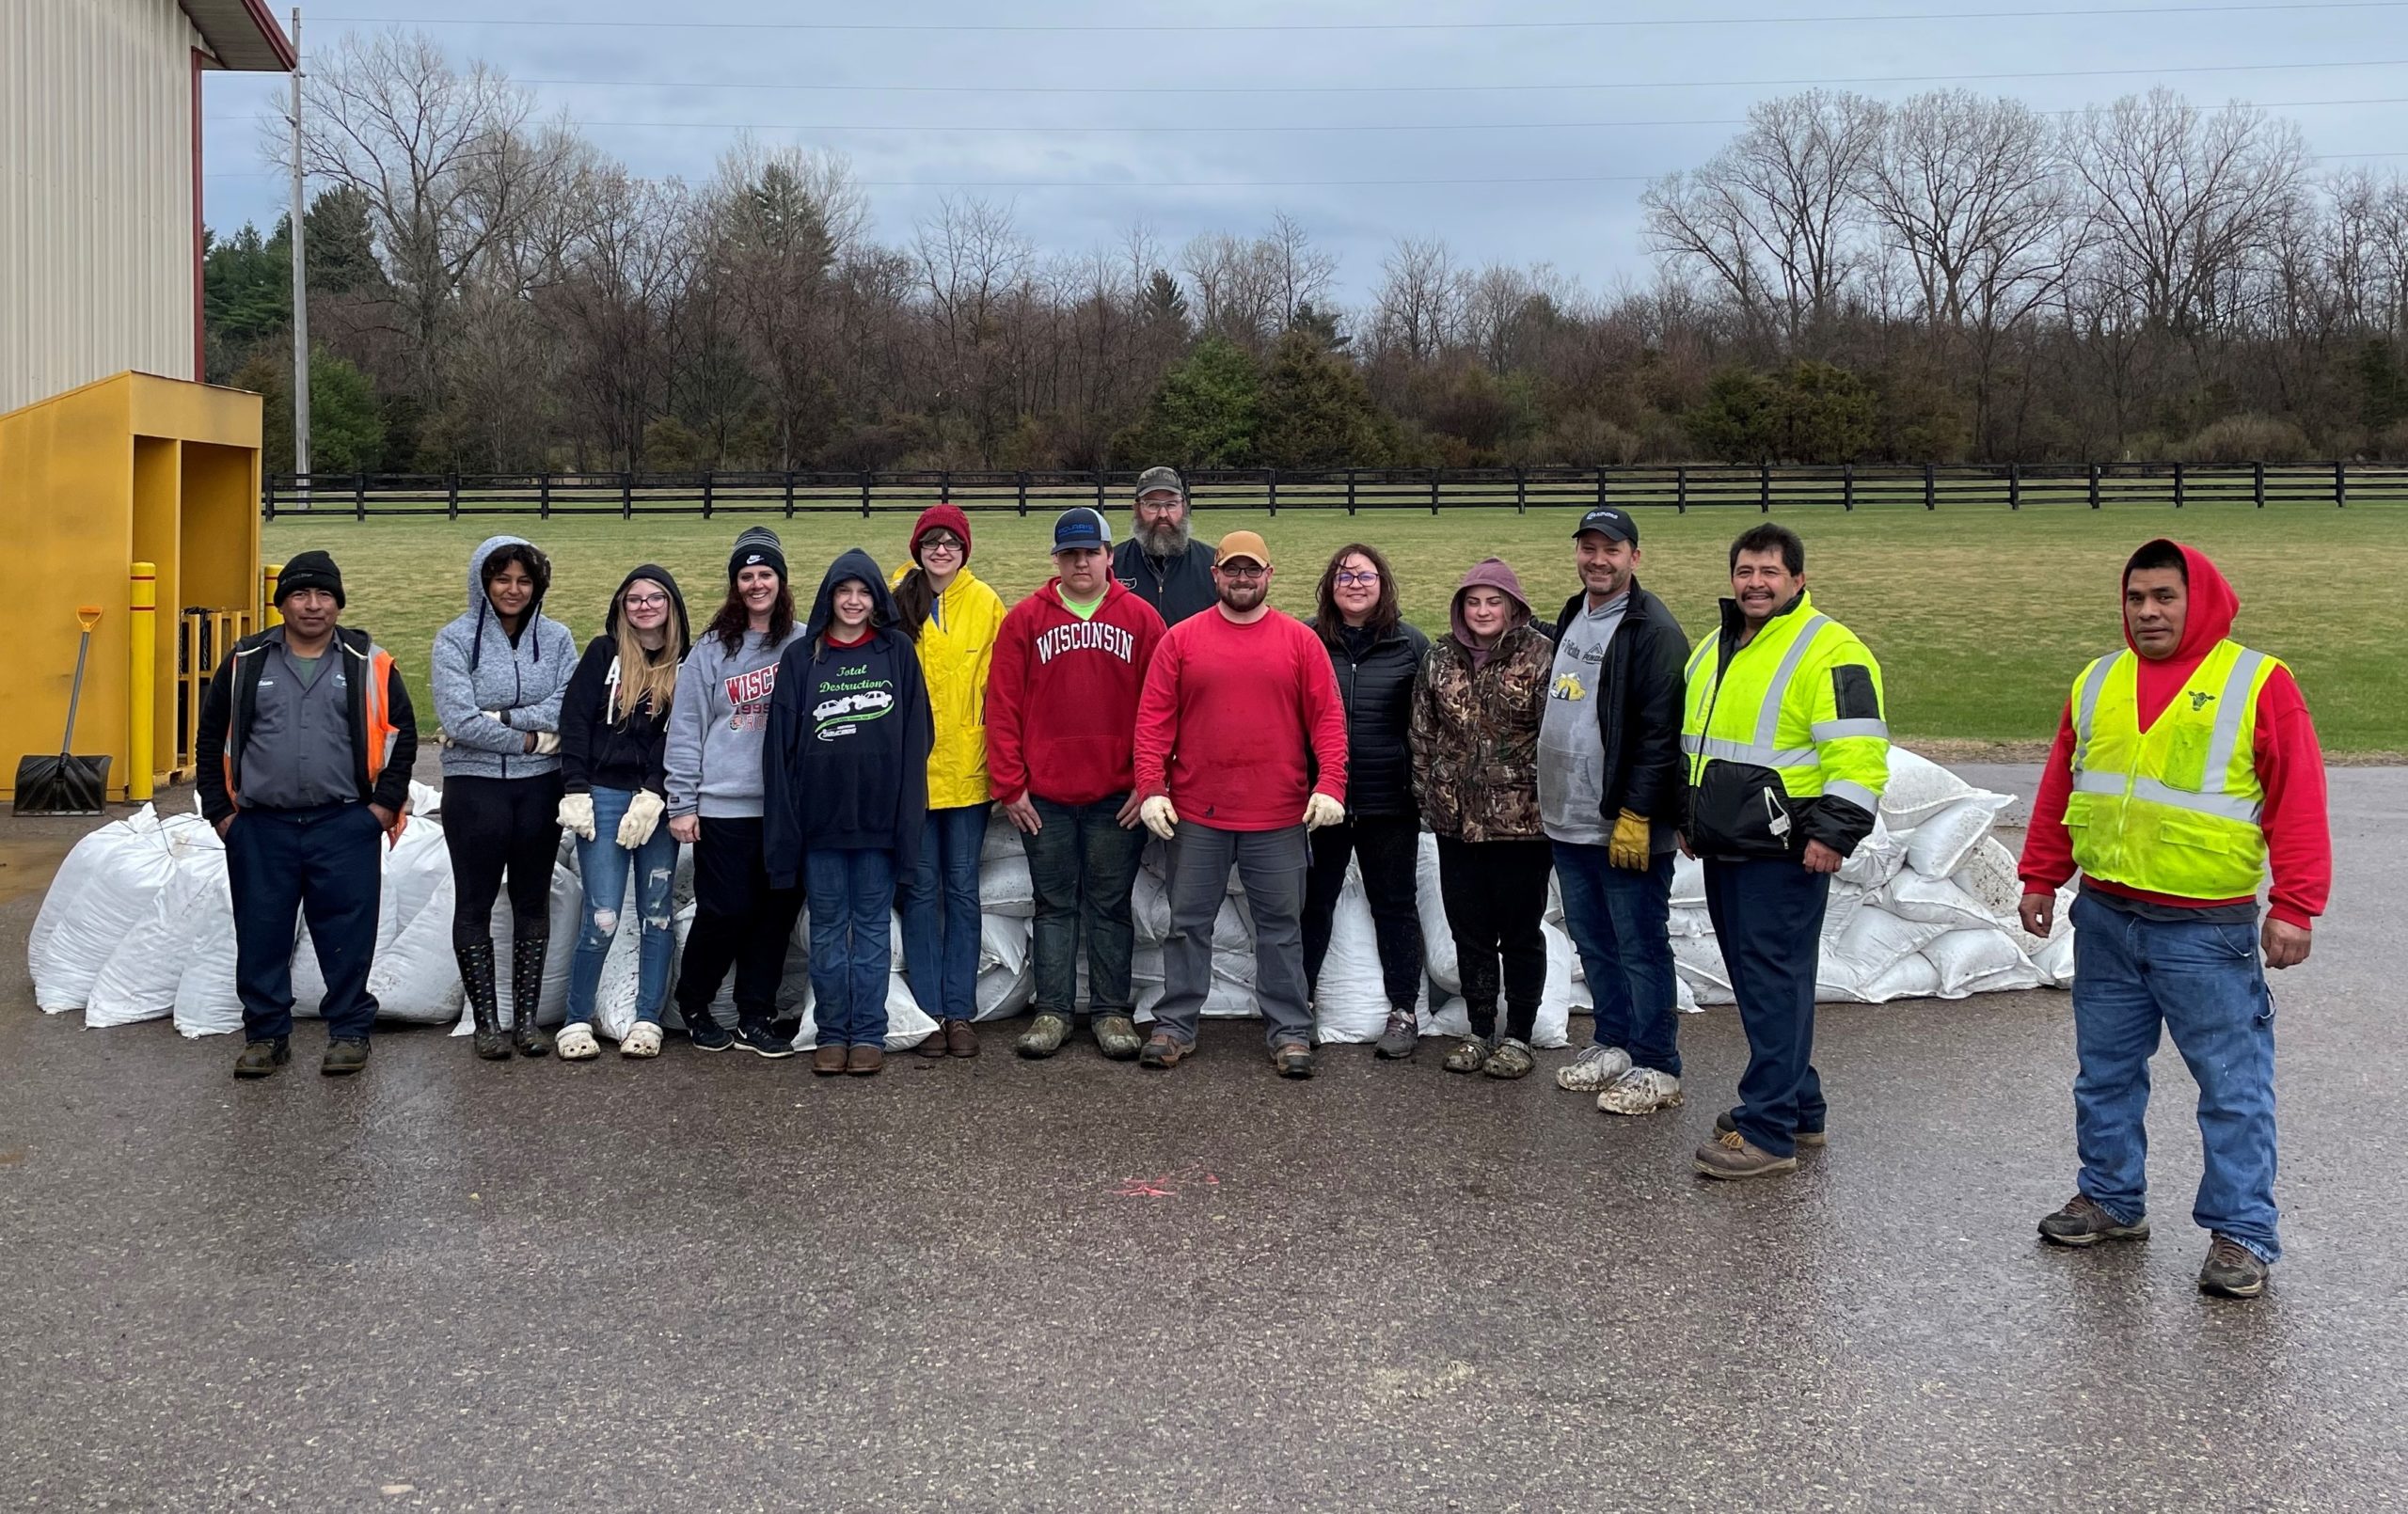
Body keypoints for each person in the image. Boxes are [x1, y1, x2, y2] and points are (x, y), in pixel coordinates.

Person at [2017, 540, 2328, 1301]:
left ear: (2200, 599)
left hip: (2205, 931)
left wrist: (2295, 905)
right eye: (2135, 598)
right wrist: (2040, 875)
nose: (2148, 612)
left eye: (2164, 597)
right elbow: (2064, 782)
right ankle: (2112, 1200)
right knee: (2106, 1076)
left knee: (2232, 1088)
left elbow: (2298, 797)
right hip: (2108, 916)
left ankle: (2242, 1233)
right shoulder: (2098, 681)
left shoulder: (2257, 682)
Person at [1682, 523, 1888, 1181]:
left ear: (1798, 579)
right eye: (1745, 571)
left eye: (1770, 572)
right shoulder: (1718, 645)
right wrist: (1685, 815)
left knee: (1774, 982)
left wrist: (1834, 834)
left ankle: (1767, 1130)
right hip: (1725, 844)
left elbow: (1859, 753)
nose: (1755, 583)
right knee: (1758, 982)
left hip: (1785, 849)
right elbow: (1700, 743)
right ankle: (1800, 1105)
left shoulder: (1832, 650)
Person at [1133, 529, 1348, 1078]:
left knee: (1280, 927)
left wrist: (1331, 785)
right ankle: (1175, 1025)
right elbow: (1153, 722)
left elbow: (1328, 722)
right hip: (1198, 815)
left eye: (1253, 570)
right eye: (1234, 569)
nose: (1243, 578)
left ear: (1269, 576)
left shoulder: (1300, 642)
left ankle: (1290, 1031)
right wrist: (1152, 788)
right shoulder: (1181, 640)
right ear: (1216, 575)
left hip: (1277, 815)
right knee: (1187, 924)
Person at [196, 550, 417, 1080]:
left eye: (324, 595)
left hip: (344, 823)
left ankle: (348, 1032)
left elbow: (402, 737)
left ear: (338, 603)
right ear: (282, 603)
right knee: (261, 933)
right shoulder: (245, 661)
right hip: (259, 826)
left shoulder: (370, 662)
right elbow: (209, 739)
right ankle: (267, 1037)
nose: (312, 605)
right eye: (300, 594)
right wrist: (222, 814)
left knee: (348, 934)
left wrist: (381, 809)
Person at [986, 507, 1166, 1061]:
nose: (1080, 562)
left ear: (1110, 557)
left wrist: (1148, 782)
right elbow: (1002, 706)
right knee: (1054, 904)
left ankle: (1112, 1012)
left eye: (1090, 552)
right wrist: (1011, 786)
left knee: (1111, 904)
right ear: (1057, 560)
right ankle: (1054, 1012)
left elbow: (1162, 709)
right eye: (1070, 553)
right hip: (1046, 798)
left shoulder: (1140, 619)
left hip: (1118, 795)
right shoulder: (1025, 620)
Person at [1541, 508, 1691, 1115]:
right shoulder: (1574, 613)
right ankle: (1614, 1041)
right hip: (1568, 817)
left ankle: (1658, 1063)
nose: (1598, 560)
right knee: (1594, 941)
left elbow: (1661, 733)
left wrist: (1636, 812)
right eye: (1588, 548)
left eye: (1612, 549)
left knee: (1640, 944)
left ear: (1636, 556)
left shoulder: (1652, 631)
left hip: (1623, 825)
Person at [765, 550, 934, 1078]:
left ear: (876, 598)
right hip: (821, 823)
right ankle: (832, 1031)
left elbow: (917, 735)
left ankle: (869, 1032)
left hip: (878, 823)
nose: (854, 602)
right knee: (829, 929)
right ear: (829, 597)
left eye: (863, 592)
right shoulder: (802, 658)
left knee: (873, 929)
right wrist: (789, 819)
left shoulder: (896, 652)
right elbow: (781, 747)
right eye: (844, 592)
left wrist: (904, 810)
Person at [432, 535, 578, 1060]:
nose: (513, 590)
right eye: (502, 579)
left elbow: (566, 704)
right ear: (482, 581)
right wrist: (529, 740)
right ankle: (486, 1023)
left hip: (541, 788)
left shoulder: (558, 639)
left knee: (532, 901)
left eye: (524, 580)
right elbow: (458, 719)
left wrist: (503, 719)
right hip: (474, 790)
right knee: (474, 901)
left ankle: (525, 1021)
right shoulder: (453, 640)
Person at [1411, 558, 1556, 1080]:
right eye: (1473, 602)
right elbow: (1423, 733)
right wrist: (1429, 793)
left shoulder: (1542, 657)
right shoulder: (1439, 658)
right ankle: (1478, 1029)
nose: (1483, 611)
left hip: (1522, 825)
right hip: (1455, 822)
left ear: (1513, 607)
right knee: (1468, 930)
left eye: (1494, 601)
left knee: (1519, 932)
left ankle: (1518, 1035)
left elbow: (1555, 737)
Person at [665, 526, 807, 1058]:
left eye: (765, 574)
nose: (755, 584)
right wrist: (682, 802)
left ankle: (755, 1013)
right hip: (723, 804)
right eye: (745, 576)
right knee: (725, 910)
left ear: (781, 580)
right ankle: (696, 1003)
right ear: (734, 585)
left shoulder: (802, 641)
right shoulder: (710, 650)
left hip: (784, 809)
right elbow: (686, 729)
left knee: (775, 914)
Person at [555, 566, 691, 1062]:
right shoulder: (602, 654)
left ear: (671, 606)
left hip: (656, 801)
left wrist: (656, 791)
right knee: (603, 914)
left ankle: (647, 1019)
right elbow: (573, 721)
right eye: (634, 599)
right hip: (603, 797)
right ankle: (575, 1018)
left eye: (655, 598)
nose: (644, 606)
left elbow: (682, 736)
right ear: (621, 607)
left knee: (657, 914)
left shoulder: (686, 663)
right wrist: (575, 788)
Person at [1300, 543, 1429, 1061]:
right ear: (1330, 585)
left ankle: (1403, 1011)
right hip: (1320, 801)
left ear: (1383, 583)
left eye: (1365, 575)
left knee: (1395, 906)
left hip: (1389, 803)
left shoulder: (1410, 644)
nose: (1355, 584)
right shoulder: (1306, 639)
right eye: (1344, 575)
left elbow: (1429, 725)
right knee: (1312, 904)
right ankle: (1298, 1007)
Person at [890, 504, 1007, 1059]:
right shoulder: (894, 599)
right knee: (918, 891)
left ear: (965, 550)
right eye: (932, 541)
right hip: (910, 775)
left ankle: (959, 1011)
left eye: (952, 543)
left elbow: (1002, 687)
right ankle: (927, 1012)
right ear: (918, 548)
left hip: (967, 773)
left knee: (961, 891)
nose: (942, 550)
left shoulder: (985, 603)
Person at [1111, 465, 1217, 625]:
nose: (1163, 514)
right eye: (1152, 505)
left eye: (1171, 504)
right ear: (1137, 509)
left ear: (1184, 507)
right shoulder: (1112, 565)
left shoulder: (1212, 565)